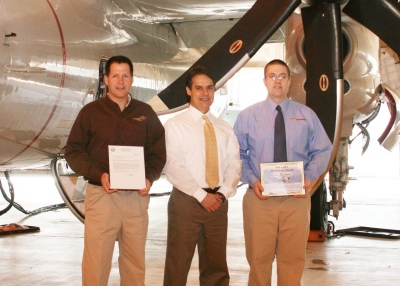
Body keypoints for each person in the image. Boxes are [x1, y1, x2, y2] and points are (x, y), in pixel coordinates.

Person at [64, 55, 166, 286]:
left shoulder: (145, 113)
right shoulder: (90, 113)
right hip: (102, 198)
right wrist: (99, 173)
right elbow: (73, 152)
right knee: (96, 263)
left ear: (132, 79)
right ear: (106, 79)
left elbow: (157, 154)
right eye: (115, 76)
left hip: (136, 200)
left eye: (125, 76)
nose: (121, 81)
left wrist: (149, 178)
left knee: (134, 263)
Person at [233, 59, 332, 286]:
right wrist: (252, 179)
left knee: (292, 261)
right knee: (258, 261)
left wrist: (307, 178)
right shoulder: (248, 116)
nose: (277, 81)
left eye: (282, 76)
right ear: (265, 81)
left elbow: (323, 150)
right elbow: (236, 154)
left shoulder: (307, 115)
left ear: (290, 81)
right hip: (260, 199)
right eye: (272, 76)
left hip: (295, 201)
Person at [163, 65, 242, 286]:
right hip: (187, 201)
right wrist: (201, 195)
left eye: (209, 88)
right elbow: (174, 165)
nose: (205, 93)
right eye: (199, 88)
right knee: (177, 266)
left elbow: (234, 164)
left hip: (218, 203)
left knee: (216, 267)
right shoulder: (175, 126)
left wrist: (223, 194)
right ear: (189, 91)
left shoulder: (224, 127)